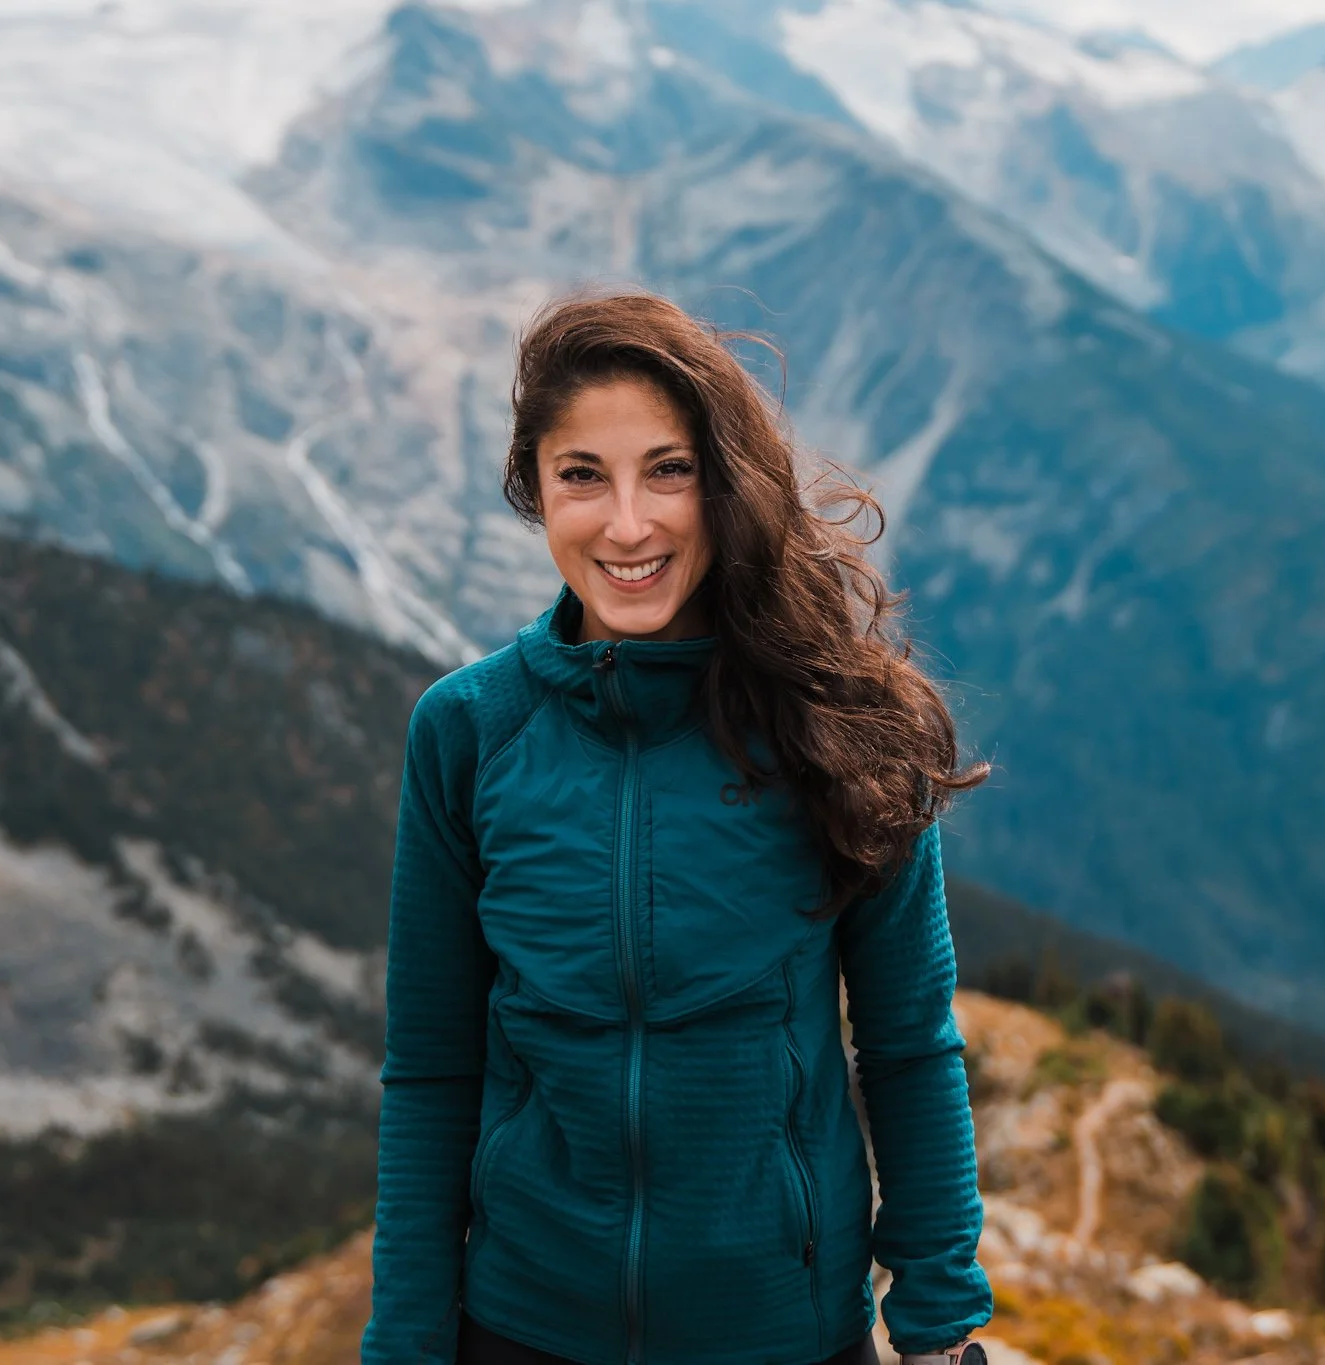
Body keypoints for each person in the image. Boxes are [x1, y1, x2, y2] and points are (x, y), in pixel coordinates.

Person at [360, 291, 994, 1365]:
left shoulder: (843, 726)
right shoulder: (466, 733)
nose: (626, 524)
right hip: (520, 1332)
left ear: (725, 482)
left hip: (783, 1339)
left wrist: (935, 1324)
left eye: (668, 470)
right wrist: (405, 1346)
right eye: (580, 477)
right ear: (533, 492)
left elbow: (907, 1047)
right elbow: (429, 1070)